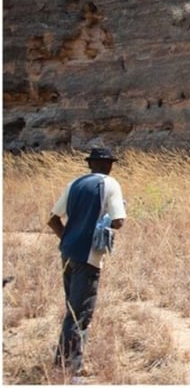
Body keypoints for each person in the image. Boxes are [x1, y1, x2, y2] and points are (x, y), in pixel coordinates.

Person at [47, 147, 127, 376]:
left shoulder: (74, 183)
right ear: (108, 165)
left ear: (90, 164)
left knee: (72, 308)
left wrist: (69, 238)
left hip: (68, 253)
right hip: (89, 256)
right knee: (80, 313)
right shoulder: (110, 184)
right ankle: (69, 370)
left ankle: (64, 363)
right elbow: (119, 220)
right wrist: (103, 226)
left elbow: (53, 219)